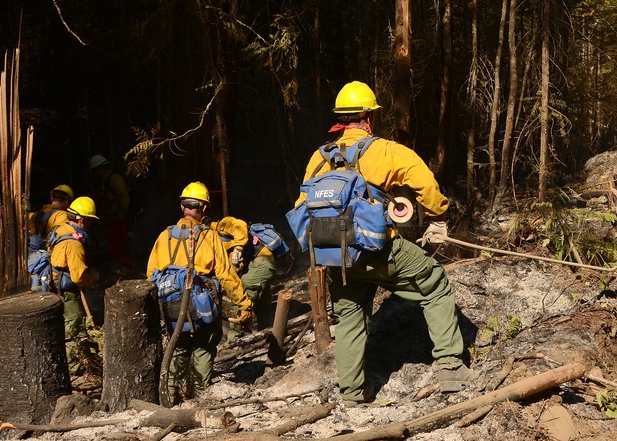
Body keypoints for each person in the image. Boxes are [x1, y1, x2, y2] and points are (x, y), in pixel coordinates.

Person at [296, 80, 469, 406]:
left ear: (340, 120)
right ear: (368, 117)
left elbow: (303, 206)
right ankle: (451, 370)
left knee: (349, 317)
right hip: (381, 250)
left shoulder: (317, 159)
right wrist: (438, 219)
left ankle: (352, 394)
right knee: (435, 284)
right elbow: (425, 184)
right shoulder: (385, 150)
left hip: (338, 258)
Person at [146, 182, 253, 402]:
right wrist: (243, 304)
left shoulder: (163, 236)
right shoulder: (208, 236)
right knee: (204, 346)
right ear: (204, 208)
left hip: (170, 304)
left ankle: (171, 394)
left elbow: (150, 276)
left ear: (182, 206)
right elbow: (226, 275)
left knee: (179, 345)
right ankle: (200, 396)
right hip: (201, 305)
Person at [49, 196, 101, 376]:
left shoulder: (60, 229)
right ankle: (75, 372)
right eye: (90, 221)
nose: (91, 225)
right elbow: (79, 276)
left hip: (54, 285)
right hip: (68, 291)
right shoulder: (74, 243)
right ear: (82, 219)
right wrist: (93, 277)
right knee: (74, 327)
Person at [208, 215, 282, 340]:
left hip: (260, 261)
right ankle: (268, 334)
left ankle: (234, 339)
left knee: (241, 297)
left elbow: (240, 225)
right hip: (261, 263)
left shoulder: (220, 226)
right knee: (262, 302)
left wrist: (238, 249)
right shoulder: (210, 242)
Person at [90, 154, 132, 269]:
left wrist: (122, 211)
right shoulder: (105, 180)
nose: (95, 173)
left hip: (117, 215)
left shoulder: (114, 178)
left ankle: (124, 264)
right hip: (111, 215)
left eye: (95, 170)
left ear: (100, 167)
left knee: (120, 240)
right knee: (113, 240)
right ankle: (118, 263)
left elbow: (123, 196)